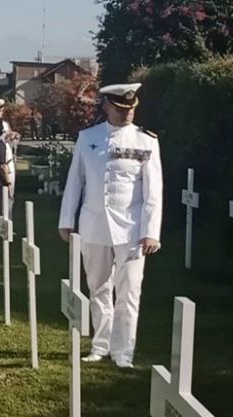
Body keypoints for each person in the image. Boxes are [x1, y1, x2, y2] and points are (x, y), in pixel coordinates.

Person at [58, 83, 162, 369]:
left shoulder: (146, 141)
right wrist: (67, 220)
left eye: (131, 109)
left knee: (129, 291)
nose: (127, 114)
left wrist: (151, 231)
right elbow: (75, 180)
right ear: (106, 107)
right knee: (98, 288)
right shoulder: (88, 138)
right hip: (94, 225)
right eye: (120, 109)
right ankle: (100, 345)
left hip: (131, 229)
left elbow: (153, 192)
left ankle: (123, 351)